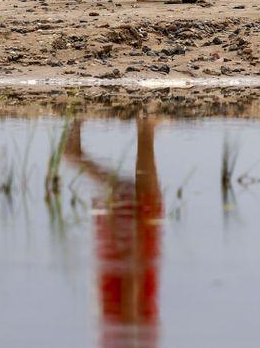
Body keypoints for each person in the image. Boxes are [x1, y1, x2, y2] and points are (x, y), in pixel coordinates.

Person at [64, 117, 164, 347]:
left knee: (143, 204)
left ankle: (144, 128)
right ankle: (77, 154)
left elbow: (129, 309)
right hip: (129, 273)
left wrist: (134, 262)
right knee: (141, 203)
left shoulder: (125, 332)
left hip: (130, 267)